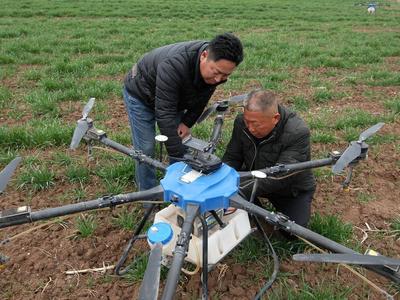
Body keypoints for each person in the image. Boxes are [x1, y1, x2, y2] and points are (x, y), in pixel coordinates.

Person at [123, 33, 244, 191]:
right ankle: (149, 194)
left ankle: (181, 188)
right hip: (141, 94)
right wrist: (178, 156)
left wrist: (186, 122)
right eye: (216, 72)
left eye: (225, 75)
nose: (218, 79)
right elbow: (165, 114)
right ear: (204, 56)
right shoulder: (174, 64)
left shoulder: (213, 73)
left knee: (179, 140)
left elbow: (201, 98)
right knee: (146, 149)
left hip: (173, 97)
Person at [222, 90, 316, 228]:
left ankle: (249, 202)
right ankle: (251, 205)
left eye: (256, 124)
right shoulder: (241, 123)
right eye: (247, 122)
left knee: (292, 230)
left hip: (288, 188)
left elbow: (281, 177)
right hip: (253, 175)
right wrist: (222, 183)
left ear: (275, 118)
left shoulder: (297, 132)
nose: (250, 128)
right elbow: (232, 157)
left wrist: (236, 191)